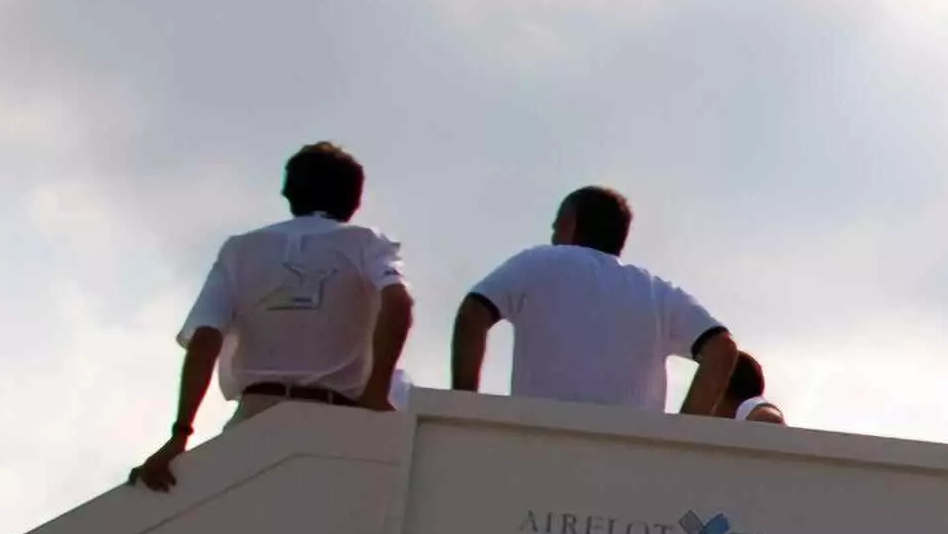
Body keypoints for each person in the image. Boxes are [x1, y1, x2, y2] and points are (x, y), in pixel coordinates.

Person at [142, 142, 409, 488]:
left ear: (288, 192)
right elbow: (399, 302)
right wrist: (376, 391)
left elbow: (206, 336)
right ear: (354, 201)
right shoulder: (368, 243)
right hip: (336, 418)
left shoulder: (240, 249)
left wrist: (181, 435)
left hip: (253, 418)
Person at [451, 184, 769, 418]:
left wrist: (464, 408)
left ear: (570, 223)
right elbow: (721, 348)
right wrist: (682, 432)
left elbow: (473, 313)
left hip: (538, 442)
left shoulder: (537, 263)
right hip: (628, 460)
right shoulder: (654, 291)